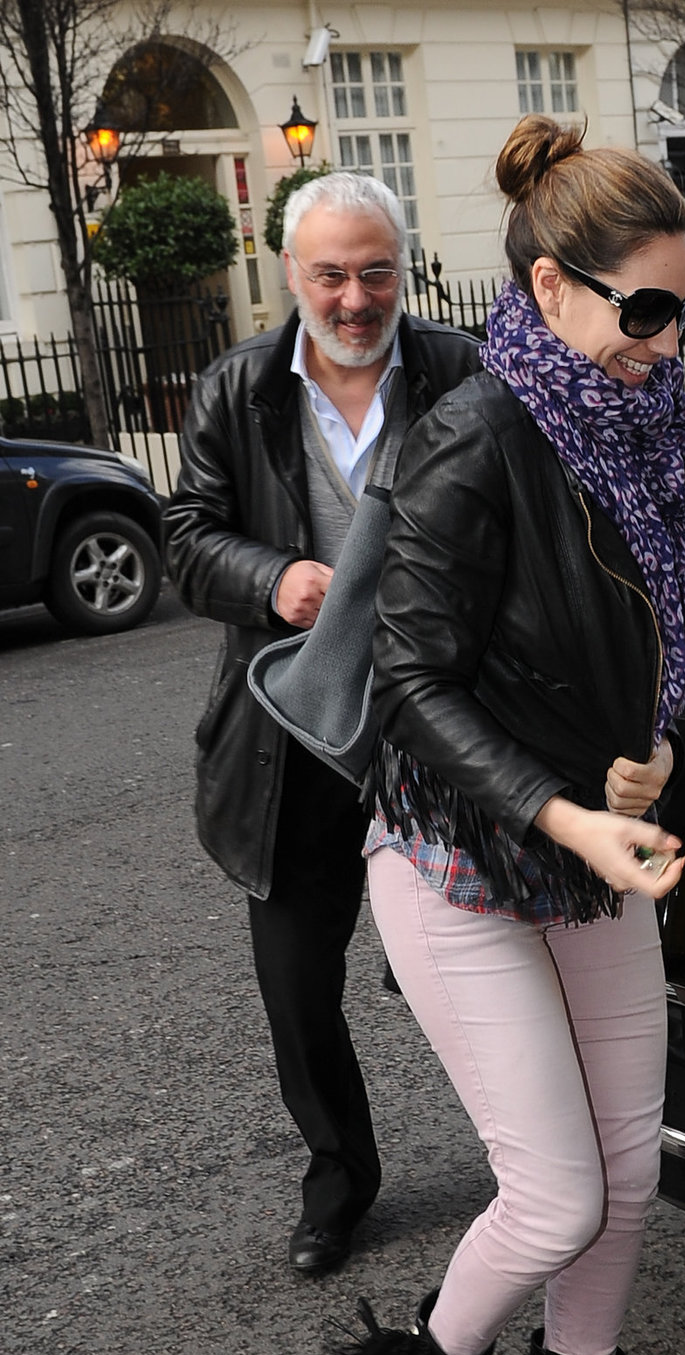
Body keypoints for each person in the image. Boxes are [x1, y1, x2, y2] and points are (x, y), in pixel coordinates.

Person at [322, 115, 685, 1355]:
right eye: (648, 309)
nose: (671, 343)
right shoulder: (469, 443)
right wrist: (573, 819)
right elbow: (408, 691)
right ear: (550, 290)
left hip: (595, 841)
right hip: (459, 857)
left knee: (626, 1165)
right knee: (553, 1185)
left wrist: (654, 746)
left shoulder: (647, 424)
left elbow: (657, 639)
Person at [164, 173, 479, 1275]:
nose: (355, 298)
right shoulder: (239, 388)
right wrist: (273, 578)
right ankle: (340, 1180)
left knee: (476, 959)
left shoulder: (461, 371)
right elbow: (186, 536)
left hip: (433, 728)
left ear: (405, 270)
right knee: (299, 992)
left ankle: (529, 1162)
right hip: (289, 738)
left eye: (375, 271)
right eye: (331, 275)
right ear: (290, 274)